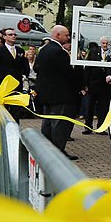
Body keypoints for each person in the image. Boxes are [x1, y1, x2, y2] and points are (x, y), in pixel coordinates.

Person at [34, 24, 82, 159]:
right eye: (66, 35)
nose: (68, 37)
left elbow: (37, 68)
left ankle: (46, 150)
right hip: (60, 95)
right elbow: (68, 73)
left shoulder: (44, 49)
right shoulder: (59, 52)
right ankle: (58, 152)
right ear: (58, 35)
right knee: (59, 125)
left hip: (47, 94)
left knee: (48, 123)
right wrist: (79, 83)